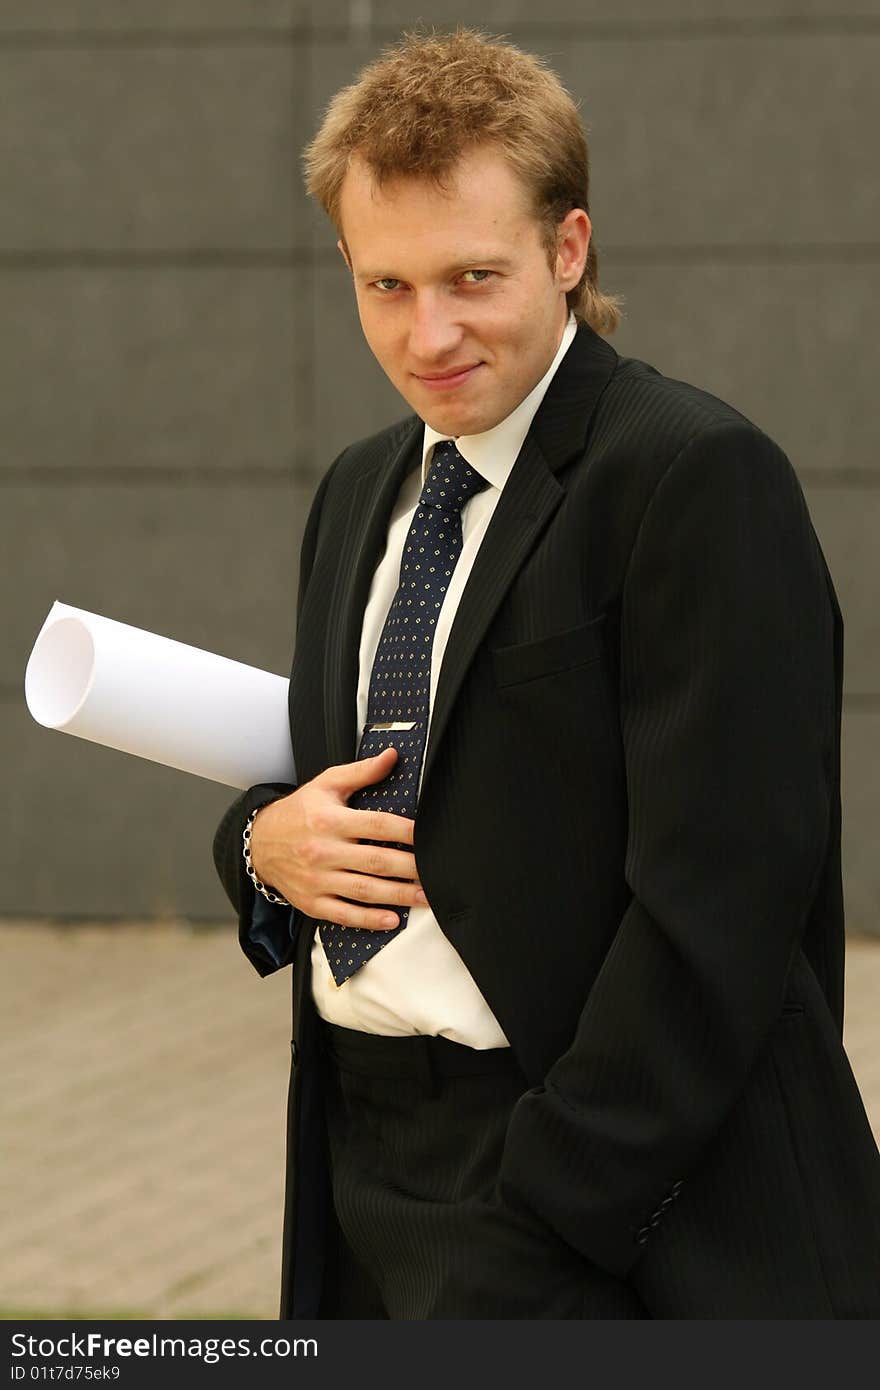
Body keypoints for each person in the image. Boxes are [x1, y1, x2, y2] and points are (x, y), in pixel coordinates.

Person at [213, 28, 880, 1319]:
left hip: (606, 1212)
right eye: (387, 286)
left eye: (474, 276)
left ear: (569, 251)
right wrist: (258, 846)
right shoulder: (358, 492)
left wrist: (550, 1206)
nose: (430, 334)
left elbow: (721, 904)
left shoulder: (691, 479)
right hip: (361, 1171)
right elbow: (354, 791)